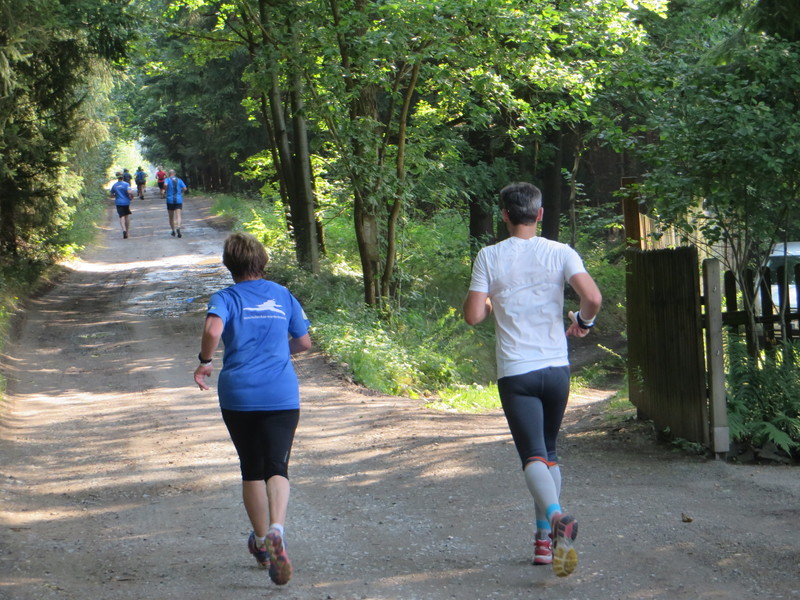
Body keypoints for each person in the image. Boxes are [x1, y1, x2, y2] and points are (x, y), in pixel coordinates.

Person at [462, 182, 601, 578]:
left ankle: (556, 518)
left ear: (504, 215)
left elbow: (473, 316)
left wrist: (490, 302)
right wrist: (583, 323)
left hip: (517, 371)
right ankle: (544, 543)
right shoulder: (561, 252)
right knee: (549, 453)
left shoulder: (489, 256)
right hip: (556, 369)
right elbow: (592, 298)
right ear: (539, 214)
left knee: (533, 456)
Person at [193, 232, 311, 586]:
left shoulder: (225, 297)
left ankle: (261, 543)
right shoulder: (283, 295)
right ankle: (277, 529)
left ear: (229, 265)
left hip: (239, 395)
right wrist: (277, 352)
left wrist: (205, 361)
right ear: (263, 261)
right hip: (281, 394)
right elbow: (304, 342)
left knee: (251, 468)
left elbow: (213, 329)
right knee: (277, 466)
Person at [108, 171, 134, 239]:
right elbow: (129, 192)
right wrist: (131, 195)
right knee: (126, 216)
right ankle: (127, 232)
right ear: (123, 177)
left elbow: (111, 194)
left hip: (118, 202)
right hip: (126, 202)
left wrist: (115, 196)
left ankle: (123, 230)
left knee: (121, 216)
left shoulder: (115, 185)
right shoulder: (126, 184)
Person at [164, 169, 188, 237]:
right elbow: (185, 188)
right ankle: (178, 227)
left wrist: (166, 189)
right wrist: (180, 191)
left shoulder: (167, 179)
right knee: (178, 215)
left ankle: (173, 230)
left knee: (171, 217)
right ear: (175, 173)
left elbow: (165, 185)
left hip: (170, 200)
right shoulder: (179, 180)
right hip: (178, 199)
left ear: (169, 174)